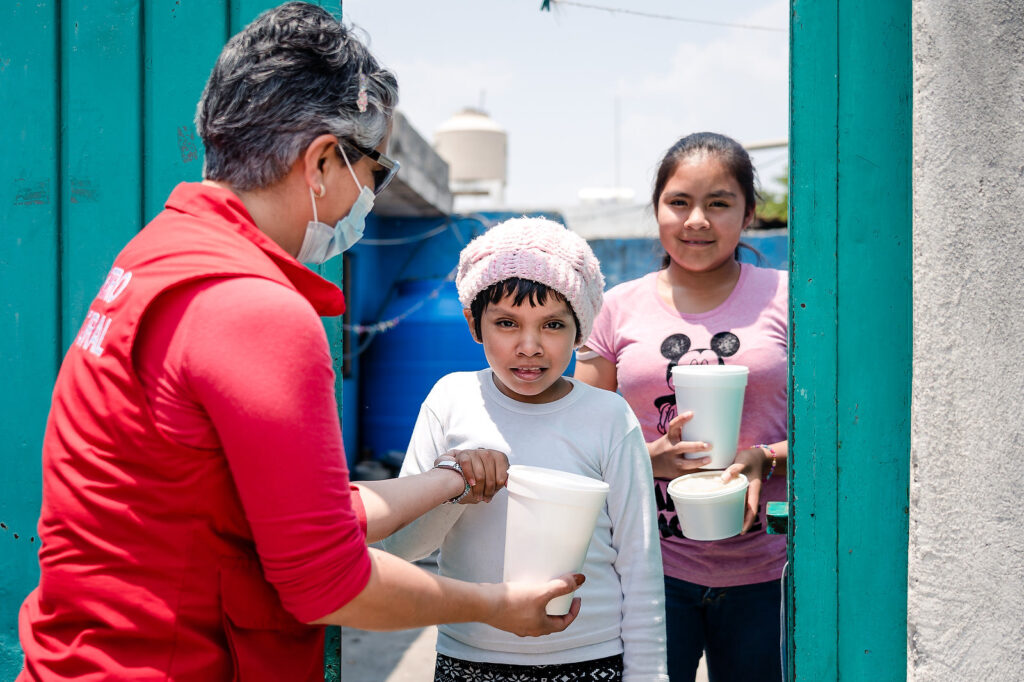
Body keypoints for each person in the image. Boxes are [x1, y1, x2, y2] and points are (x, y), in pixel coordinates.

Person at [16, 4, 582, 680]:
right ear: (320, 161)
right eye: (375, 171)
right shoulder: (257, 312)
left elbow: (294, 519)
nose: (367, 198)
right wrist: (495, 606)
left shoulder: (154, 259)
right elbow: (326, 581)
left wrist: (446, 478)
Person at [381, 217, 669, 682]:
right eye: (507, 323)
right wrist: (456, 487)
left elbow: (639, 564)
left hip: (590, 657)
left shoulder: (609, 417)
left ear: (580, 331)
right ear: (475, 325)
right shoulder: (450, 400)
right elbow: (403, 548)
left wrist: (648, 675)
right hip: (469, 656)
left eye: (553, 324)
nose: (530, 346)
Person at [574, 132, 788, 682]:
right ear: (657, 210)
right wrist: (646, 458)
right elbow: (578, 434)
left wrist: (768, 456)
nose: (697, 219)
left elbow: (841, 427)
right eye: (679, 202)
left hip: (772, 572)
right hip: (646, 572)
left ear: (749, 214)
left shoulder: (790, 297)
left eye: (719, 203)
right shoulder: (615, 308)